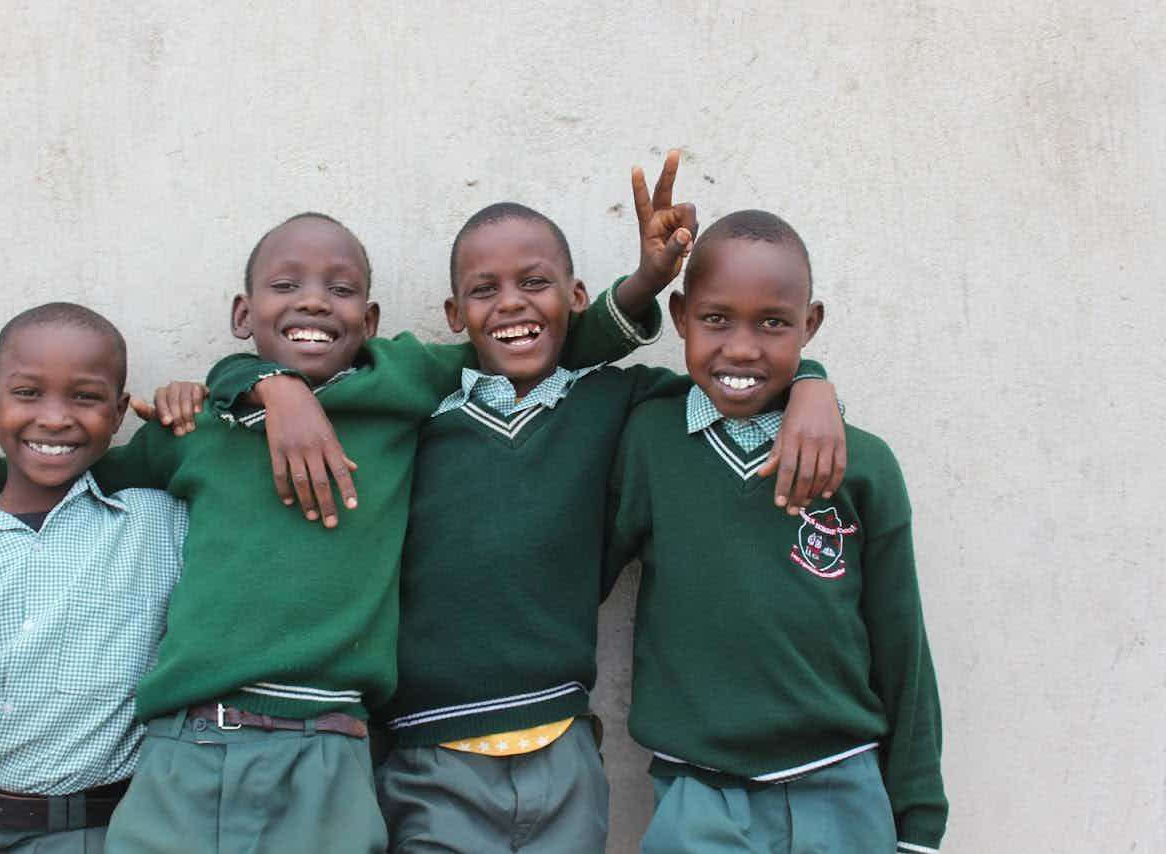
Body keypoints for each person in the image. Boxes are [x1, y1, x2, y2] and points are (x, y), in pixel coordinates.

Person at [0, 208, 659, 852]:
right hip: (187, 746)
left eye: (341, 288)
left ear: (374, 319)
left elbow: (536, 339)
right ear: (241, 314)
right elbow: (44, 482)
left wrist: (650, 286)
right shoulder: (199, 431)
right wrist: (259, 384)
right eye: (286, 285)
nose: (315, 302)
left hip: (330, 747)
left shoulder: (406, 388)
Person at [209, 156, 847, 853]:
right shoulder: (417, 405)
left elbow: (732, 383)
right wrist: (259, 382)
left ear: (574, 298)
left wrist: (811, 382)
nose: (511, 303)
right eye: (485, 290)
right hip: (427, 752)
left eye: (534, 283)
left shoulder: (612, 403)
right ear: (455, 315)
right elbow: (302, 373)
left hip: (562, 749)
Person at [605, 210, 947, 853]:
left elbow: (904, 647)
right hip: (697, 794)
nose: (741, 347)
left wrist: (919, 819)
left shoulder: (863, 465)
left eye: (773, 323)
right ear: (679, 317)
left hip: (844, 787)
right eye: (715, 319)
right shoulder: (649, 439)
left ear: (809, 325)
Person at [0, 245, 186, 853]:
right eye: (27, 393)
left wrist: (213, 396)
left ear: (121, 410)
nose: (53, 418)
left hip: (104, 832)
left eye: (84, 396)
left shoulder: (157, 523)